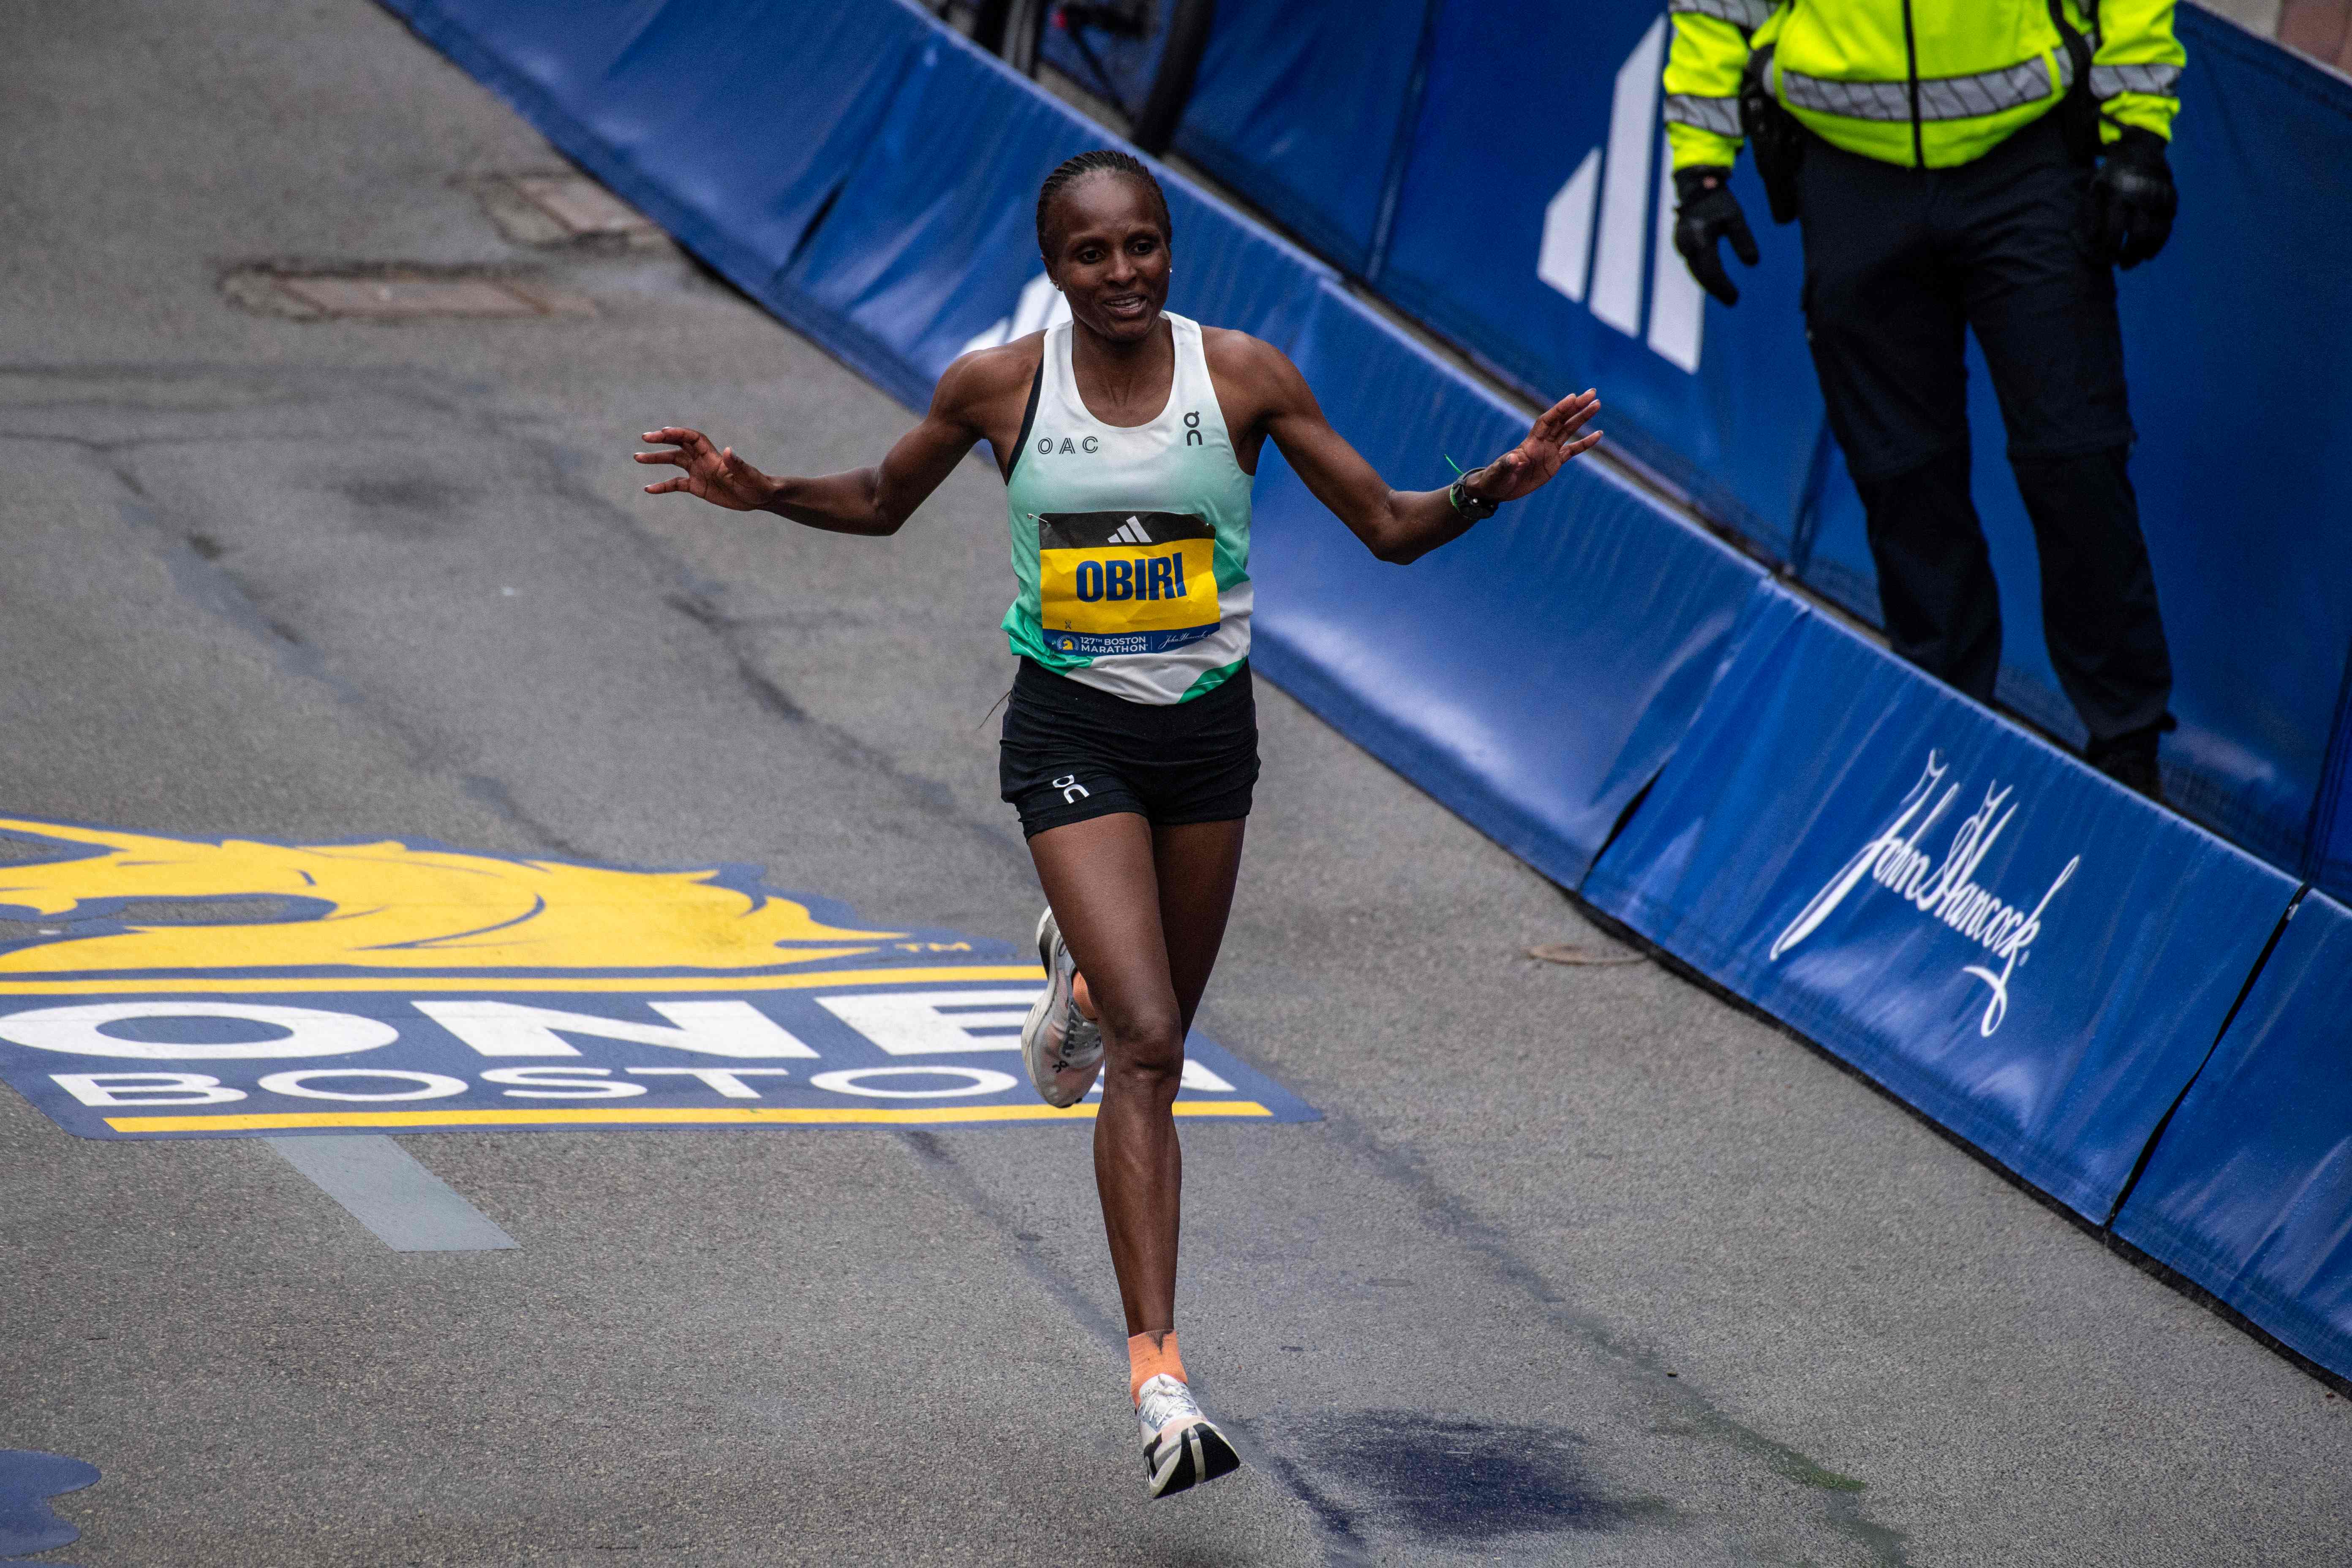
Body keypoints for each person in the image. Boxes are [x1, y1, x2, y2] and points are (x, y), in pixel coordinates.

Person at [635, 148, 1602, 1498]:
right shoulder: (1000, 387)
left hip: (1206, 740)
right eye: (1091, 253)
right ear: (1054, 268)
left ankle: (1080, 980)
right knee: (1150, 1047)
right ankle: (1161, 1379)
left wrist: (1501, 479)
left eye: (1141, 244)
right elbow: (882, 501)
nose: (1122, 272)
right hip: (1071, 736)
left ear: (1170, 249)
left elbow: (1387, 524)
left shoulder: (1244, 377)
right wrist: (766, 489)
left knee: (1150, 1020)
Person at [1663, 0, 2184, 798]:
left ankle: (2129, 753)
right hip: (1845, 166)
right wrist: (1700, 170)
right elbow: (1714, 6)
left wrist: (2139, 129)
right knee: (1903, 478)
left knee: (2076, 459)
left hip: (2025, 155)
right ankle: (1944, 738)